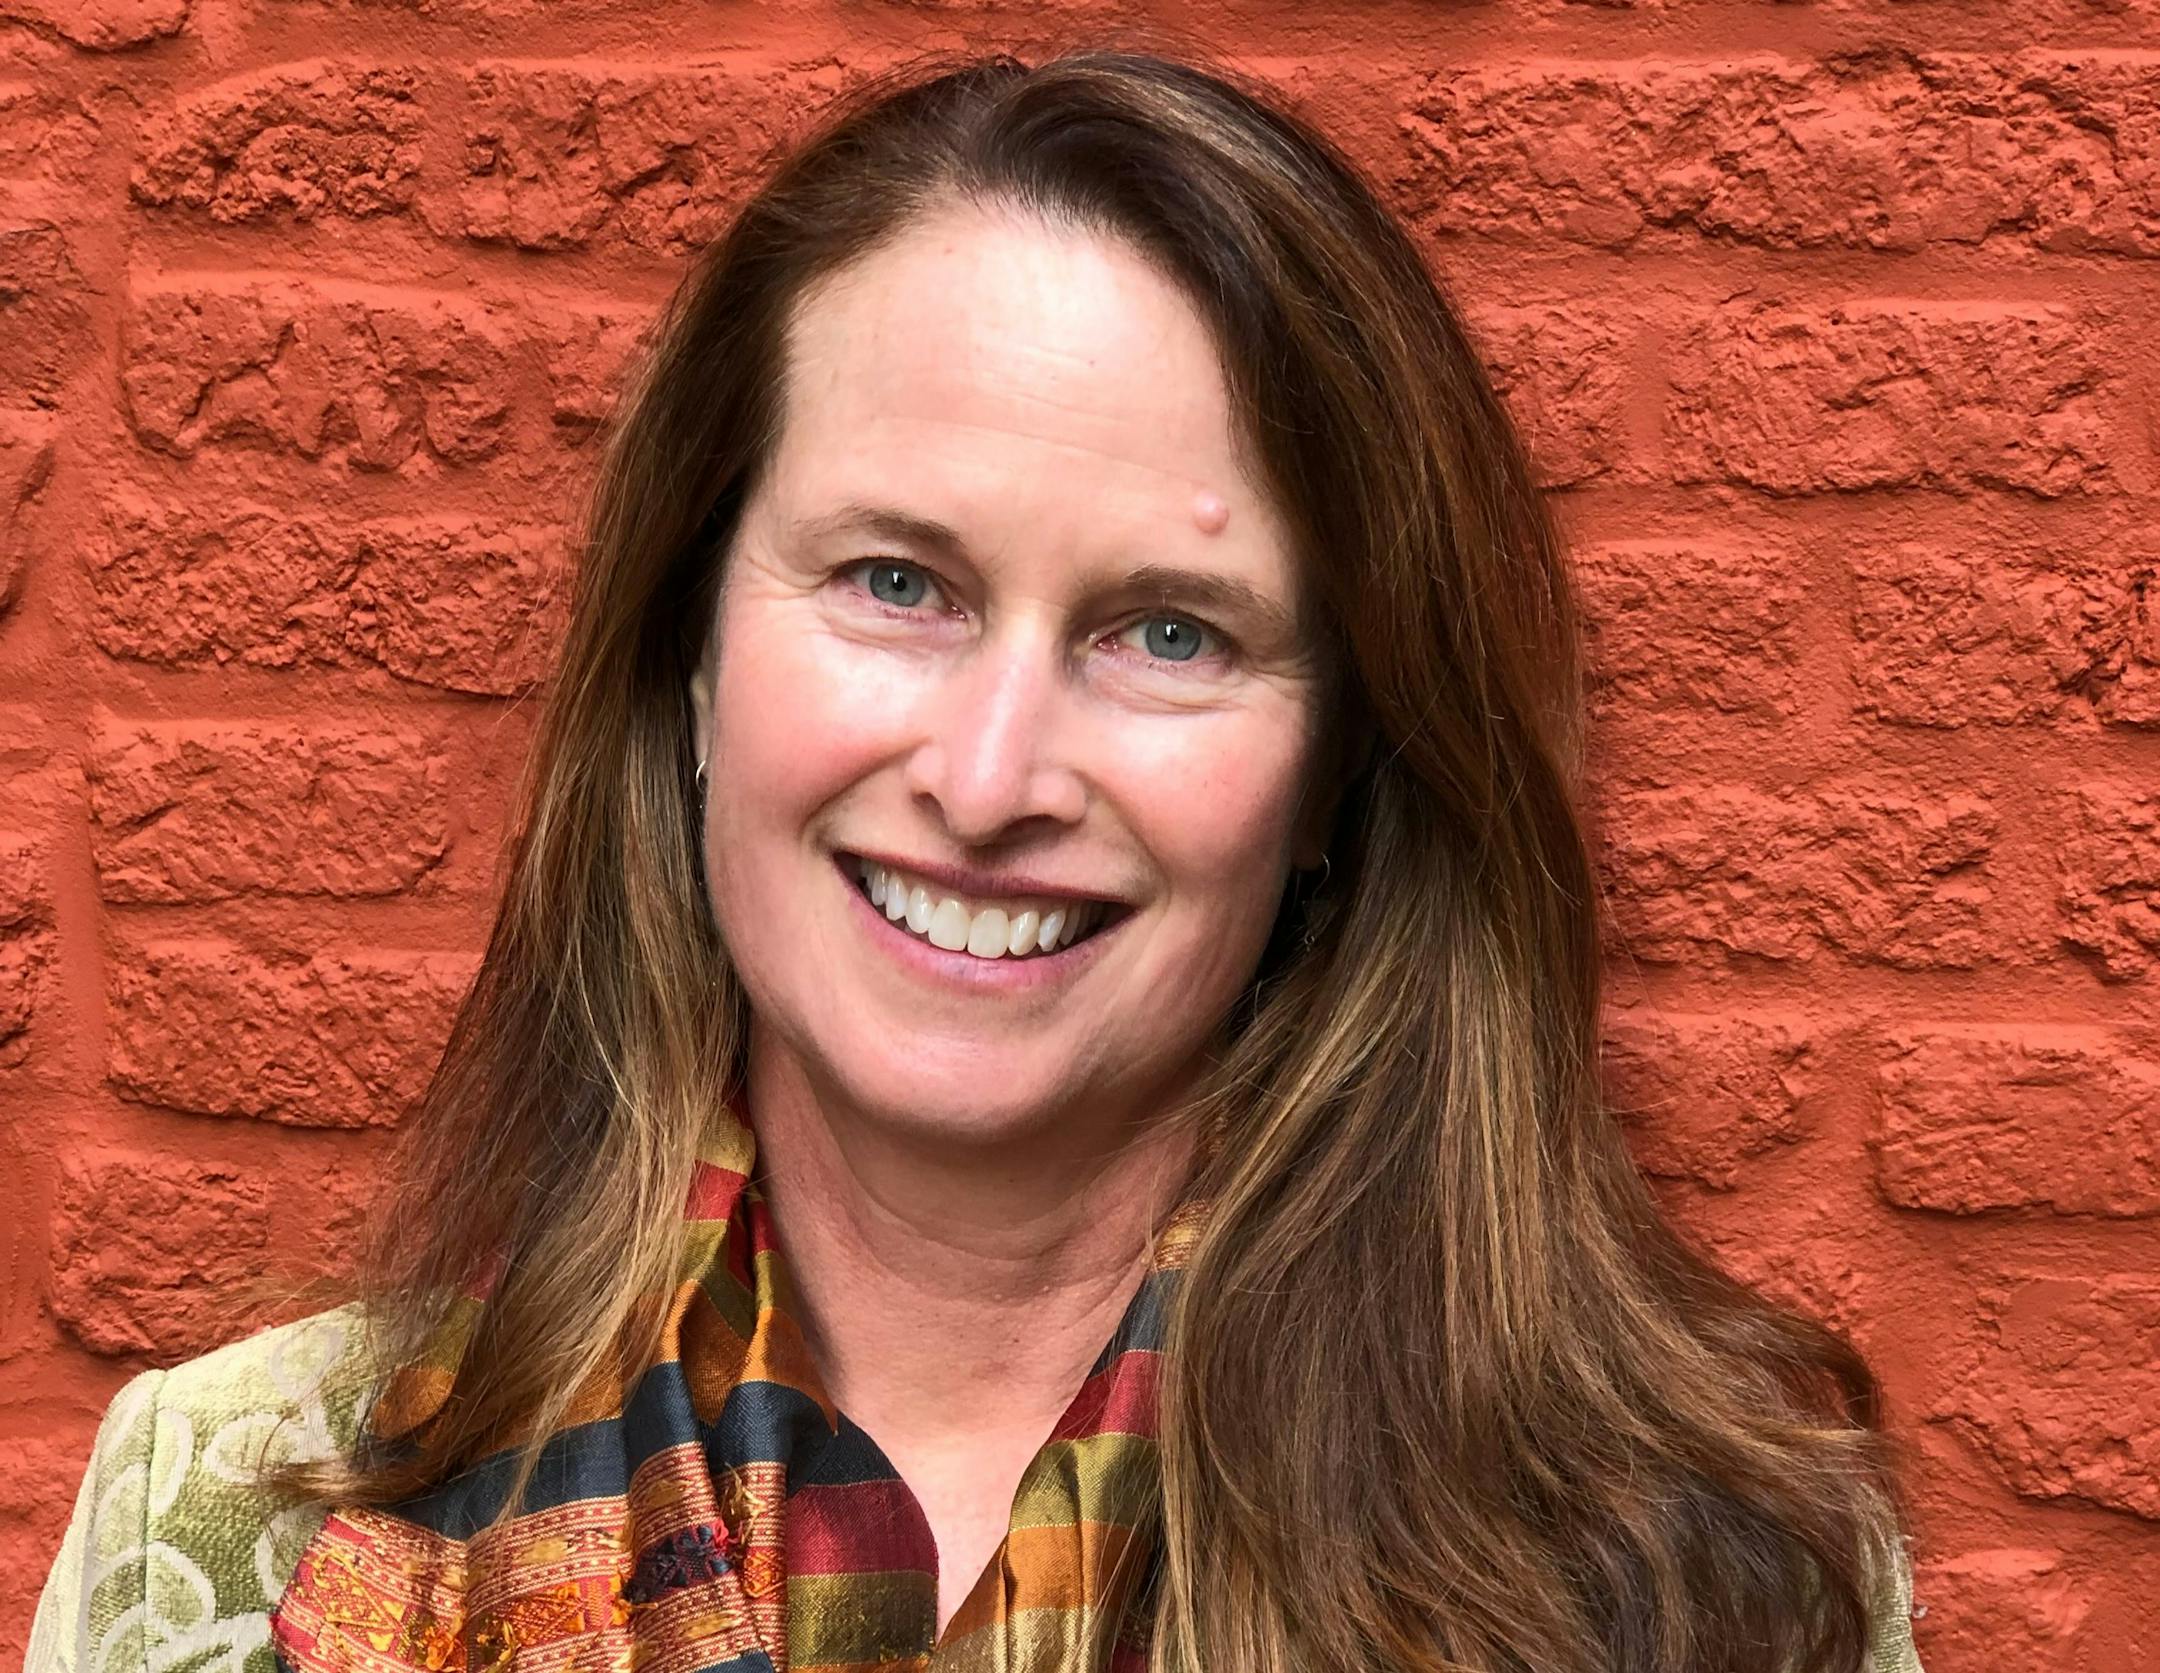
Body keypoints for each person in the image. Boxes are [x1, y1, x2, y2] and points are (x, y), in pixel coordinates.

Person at [30, 48, 1926, 1673]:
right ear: (693, 647)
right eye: (896, 582)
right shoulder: (227, 1522)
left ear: (1347, 763)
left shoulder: (1698, 1569)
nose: (994, 771)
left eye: (1170, 631)